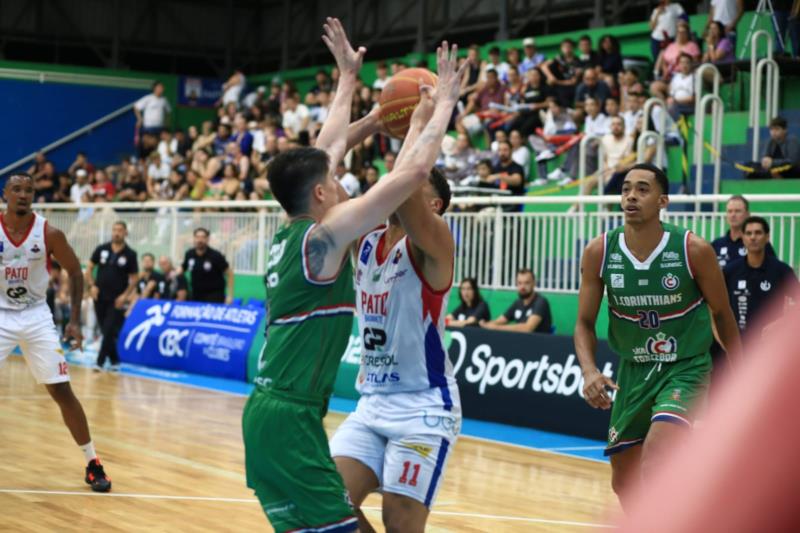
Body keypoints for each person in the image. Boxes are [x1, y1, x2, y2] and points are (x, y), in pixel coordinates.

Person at [240, 17, 465, 532]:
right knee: (336, 519)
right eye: (330, 183)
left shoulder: (421, 242)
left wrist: (350, 84)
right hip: (334, 408)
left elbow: (335, 157)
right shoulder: (344, 239)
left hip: (419, 406)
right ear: (320, 195)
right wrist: (434, 109)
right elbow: (402, 175)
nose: (338, 182)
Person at [573, 163, 742, 511]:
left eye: (643, 189)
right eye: (625, 189)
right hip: (633, 370)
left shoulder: (692, 249)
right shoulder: (599, 251)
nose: (631, 195)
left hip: (685, 367)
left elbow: (722, 314)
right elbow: (584, 323)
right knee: (624, 481)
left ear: (662, 200)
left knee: (657, 458)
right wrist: (589, 370)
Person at [330, 163, 461, 531]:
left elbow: (410, 175)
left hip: (423, 406)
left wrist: (418, 124)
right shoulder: (367, 240)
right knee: (325, 505)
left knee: (400, 524)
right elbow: (323, 182)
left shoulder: (434, 242)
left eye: (408, 186)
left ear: (433, 206)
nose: (392, 186)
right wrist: (368, 120)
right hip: (372, 404)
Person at [0, 173, 112, 492]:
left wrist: (74, 320)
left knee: (61, 391)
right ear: (5, 193)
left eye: (29, 190)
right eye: (17, 189)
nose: (23, 194)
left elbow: (76, 272)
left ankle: (92, 462)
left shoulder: (49, 232)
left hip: (36, 315)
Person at [722, 216, 799, 338]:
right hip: (739, 344)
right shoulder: (730, 271)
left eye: (758, 233)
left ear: (767, 237)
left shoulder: (781, 270)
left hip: (770, 343)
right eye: (748, 233)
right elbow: (715, 305)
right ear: (743, 237)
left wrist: (782, 322)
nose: (753, 237)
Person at [85, 222, 138, 371]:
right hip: (99, 296)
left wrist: (125, 296)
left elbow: (134, 279)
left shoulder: (130, 254)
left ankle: (100, 362)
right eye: (114, 230)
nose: (116, 233)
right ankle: (115, 359)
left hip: (116, 300)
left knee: (108, 329)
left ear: (125, 233)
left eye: (120, 230)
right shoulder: (102, 249)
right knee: (105, 330)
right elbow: (89, 268)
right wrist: (91, 285)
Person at [480, 269, 552, 333]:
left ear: (534, 284)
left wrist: (496, 328)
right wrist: (486, 324)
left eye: (526, 283)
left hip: (540, 345)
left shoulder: (541, 302)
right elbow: (500, 321)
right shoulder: (518, 303)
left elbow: (527, 328)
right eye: (519, 283)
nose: (522, 287)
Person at [711, 195, 774, 266]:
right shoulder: (717, 244)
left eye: (737, 211)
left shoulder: (758, 243)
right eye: (729, 211)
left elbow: (774, 269)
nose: (733, 215)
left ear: (747, 214)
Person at [181, 228, 233, 304]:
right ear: (194, 239)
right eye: (197, 237)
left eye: (203, 237)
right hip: (196, 295)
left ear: (207, 239)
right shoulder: (189, 254)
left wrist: (230, 295)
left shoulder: (216, 255)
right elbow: (183, 267)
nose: (200, 240)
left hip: (214, 296)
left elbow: (230, 274)